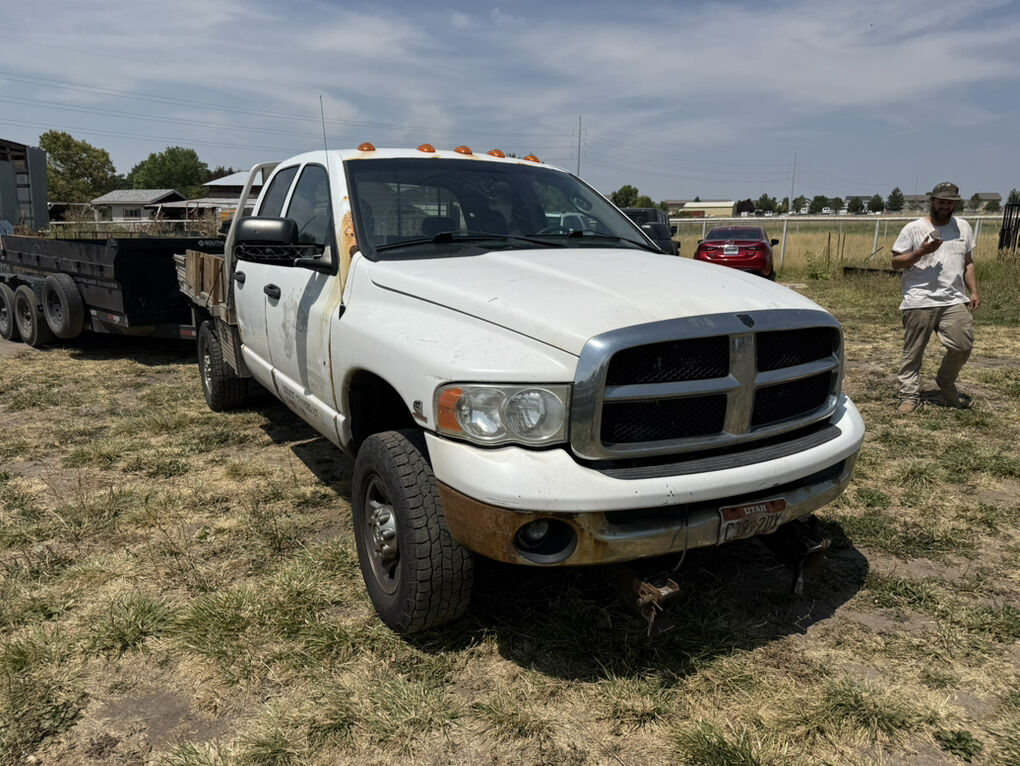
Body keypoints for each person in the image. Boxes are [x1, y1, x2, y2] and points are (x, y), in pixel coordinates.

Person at [891, 182, 980, 414]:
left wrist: (973, 291)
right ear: (932, 201)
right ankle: (908, 395)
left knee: (963, 345)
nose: (945, 206)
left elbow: (968, 263)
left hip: (953, 298)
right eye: (941, 201)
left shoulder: (963, 227)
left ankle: (945, 380)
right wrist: (922, 252)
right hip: (919, 299)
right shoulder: (913, 228)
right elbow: (896, 262)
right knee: (913, 352)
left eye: (950, 202)